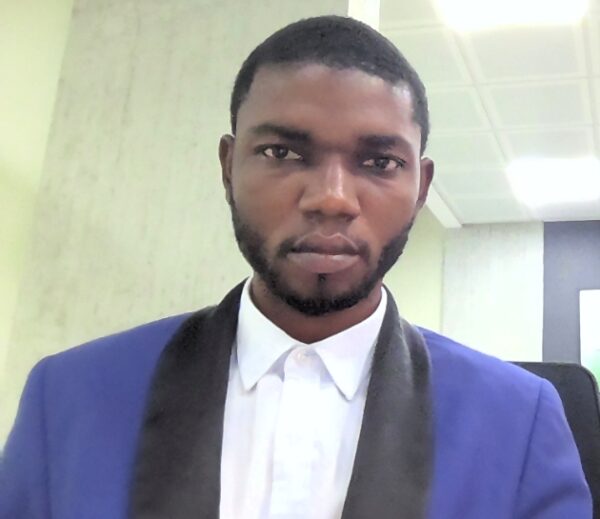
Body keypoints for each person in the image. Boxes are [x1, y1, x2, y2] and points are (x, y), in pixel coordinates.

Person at [0, 15, 592, 519]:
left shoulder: (520, 422)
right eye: (282, 152)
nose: (332, 198)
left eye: (379, 162)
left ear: (420, 186)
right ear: (229, 167)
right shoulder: (69, 398)